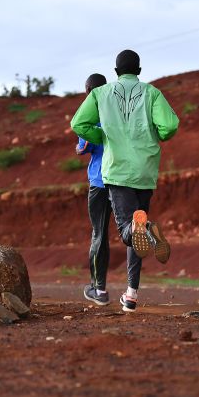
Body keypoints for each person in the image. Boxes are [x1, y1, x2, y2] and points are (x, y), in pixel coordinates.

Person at [71, 49, 179, 312]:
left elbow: (79, 124)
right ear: (139, 71)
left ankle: (144, 231)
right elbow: (170, 126)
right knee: (136, 230)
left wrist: (105, 138)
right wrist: (153, 136)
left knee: (129, 231)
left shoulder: (100, 94)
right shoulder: (152, 93)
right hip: (145, 171)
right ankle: (131, 296)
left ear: (116, 72)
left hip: (117, 172)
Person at [75, 73, 112, 306]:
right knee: (128, 231)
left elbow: (84, 147)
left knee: (99, 234)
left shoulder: (90, 115)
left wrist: (80, 147)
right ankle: (132, 291)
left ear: (88, 90)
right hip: (122, 179)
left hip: (99, 182)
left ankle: (99, 290)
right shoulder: (116, 113)